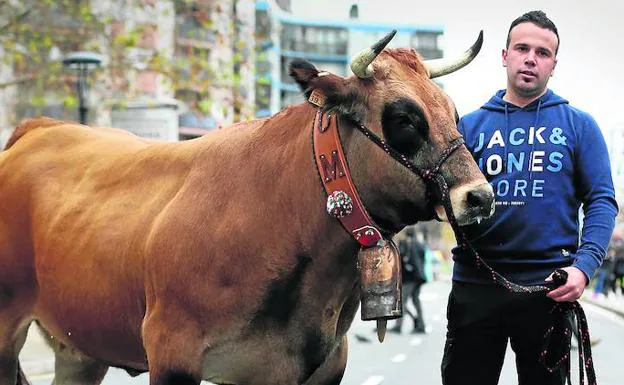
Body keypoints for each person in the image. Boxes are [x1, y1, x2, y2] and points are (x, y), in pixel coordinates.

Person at [441, 10, 618, 385]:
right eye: (522, 48)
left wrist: (583, 268)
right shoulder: (467, 128)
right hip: (476, 285)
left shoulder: (579, 125)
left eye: (543, 52)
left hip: (547, 288)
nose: (530, 58)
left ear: (553, 65)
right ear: (505, 55)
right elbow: (438, 199)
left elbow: (602, 201)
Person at [389, 227, 428, 334]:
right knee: (416, 301)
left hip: (410, 277)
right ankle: (421, 325)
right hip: (419, 277)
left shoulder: (407, 244)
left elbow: (403, 259)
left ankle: (399, 326)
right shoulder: (419, 244)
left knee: (402, 301)